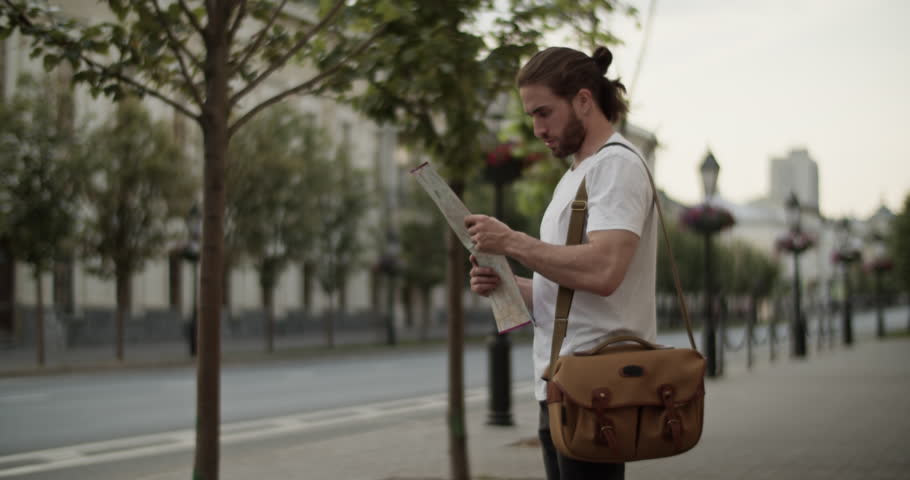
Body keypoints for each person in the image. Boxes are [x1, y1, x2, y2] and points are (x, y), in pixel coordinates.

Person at [465, 45, 657, 480]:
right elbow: (571, 287)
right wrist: (510, 285)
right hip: (565, 382)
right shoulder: (578, 174)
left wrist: (512, 241)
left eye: (544, 113)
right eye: (531, 116)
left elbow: (605, 271)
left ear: (584, 101)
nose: (537, 128)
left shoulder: (614, 166)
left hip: (596, 385)